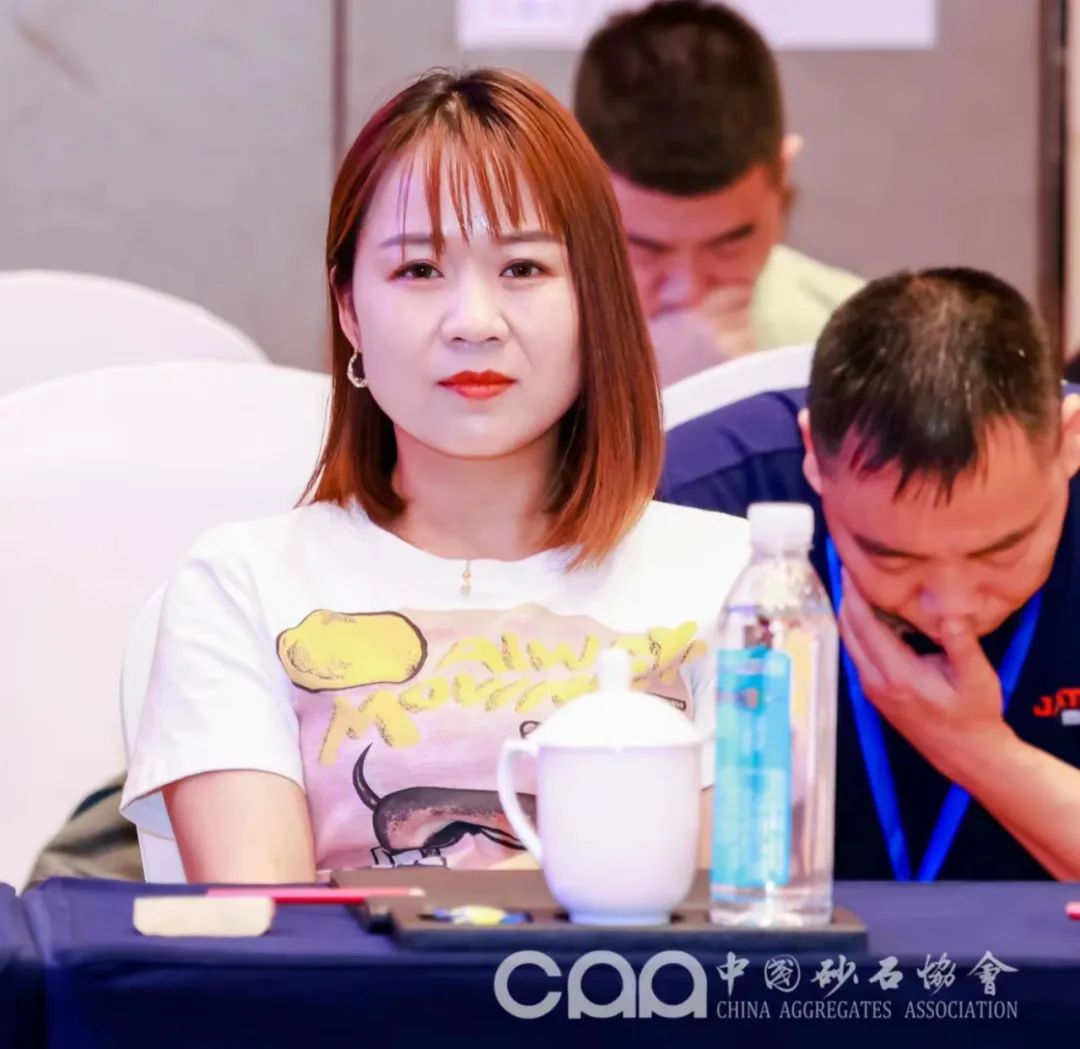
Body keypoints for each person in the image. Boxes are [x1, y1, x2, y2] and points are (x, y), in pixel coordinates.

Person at [107, 68, 749, 883]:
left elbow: (729, 918)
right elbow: (264, 931)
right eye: (419, 271)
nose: (474, 323)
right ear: (349, 308)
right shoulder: (240, 583)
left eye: (523, 269)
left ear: (596, 298)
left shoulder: (737, 580)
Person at [662, 267, 1080, 880]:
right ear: (814, 457)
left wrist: (975, 748)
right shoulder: (688, 509)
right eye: (893, 558)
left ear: (1069, 442)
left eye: (1000, 552)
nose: (953, 607)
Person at [573, 0, 863, 388]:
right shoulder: (511, 340)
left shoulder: (863, 343)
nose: (688, 292)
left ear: (782, 185)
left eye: (729, 243)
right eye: (644, 248)